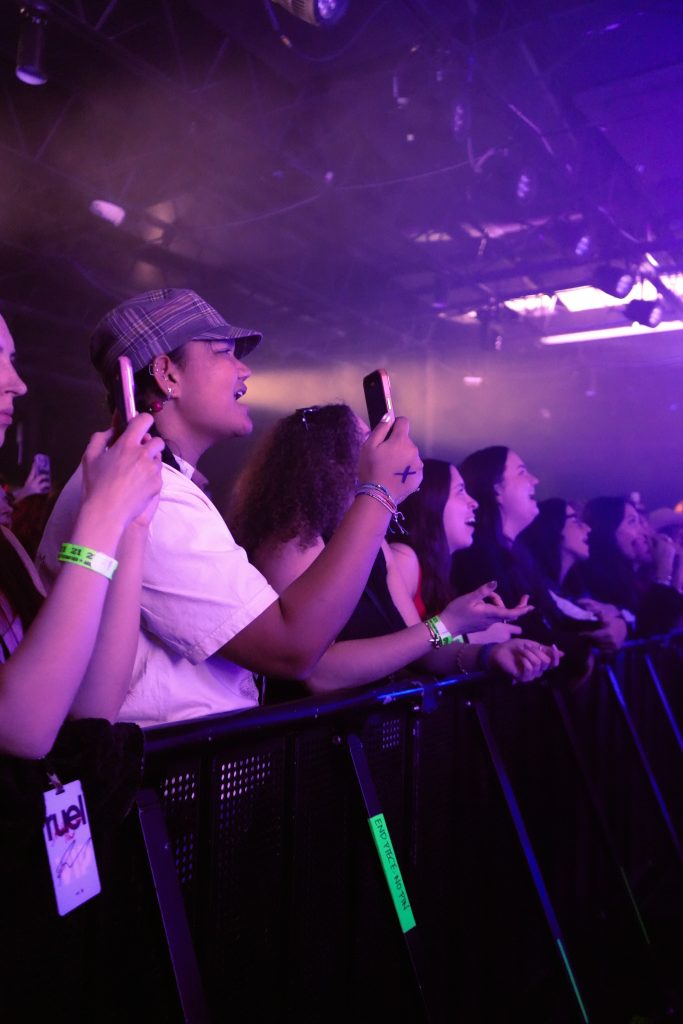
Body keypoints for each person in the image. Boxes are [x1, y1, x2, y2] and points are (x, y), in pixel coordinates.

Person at [38, 289, 424, 726]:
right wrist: (378, 492)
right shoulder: (154, 494)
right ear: (167, 374)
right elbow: (291, 650)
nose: (245, 369)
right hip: (168, 765)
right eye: (223, 352)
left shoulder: (146, 479)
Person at [229, 407, 560, 690]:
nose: (382, 446)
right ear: (329, 461)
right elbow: (319, 674)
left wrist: (488, 654)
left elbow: (419, 650)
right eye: (365, 440)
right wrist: (446, 624)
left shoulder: (376, 545)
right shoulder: (292, 538)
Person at [0, 312, 163, 757]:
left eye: (12, 361)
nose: (18, 384)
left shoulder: (5, 547)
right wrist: (102, 515)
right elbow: (23, 727)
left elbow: (92, 706)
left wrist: (132, 527)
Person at [566, 496, 683, 636]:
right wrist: (663, 572)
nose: (645, 533)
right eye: (632, 522)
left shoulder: (629, 578)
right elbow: (648, 629)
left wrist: (677, 569)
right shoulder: (592, 580)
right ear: (608, 528)